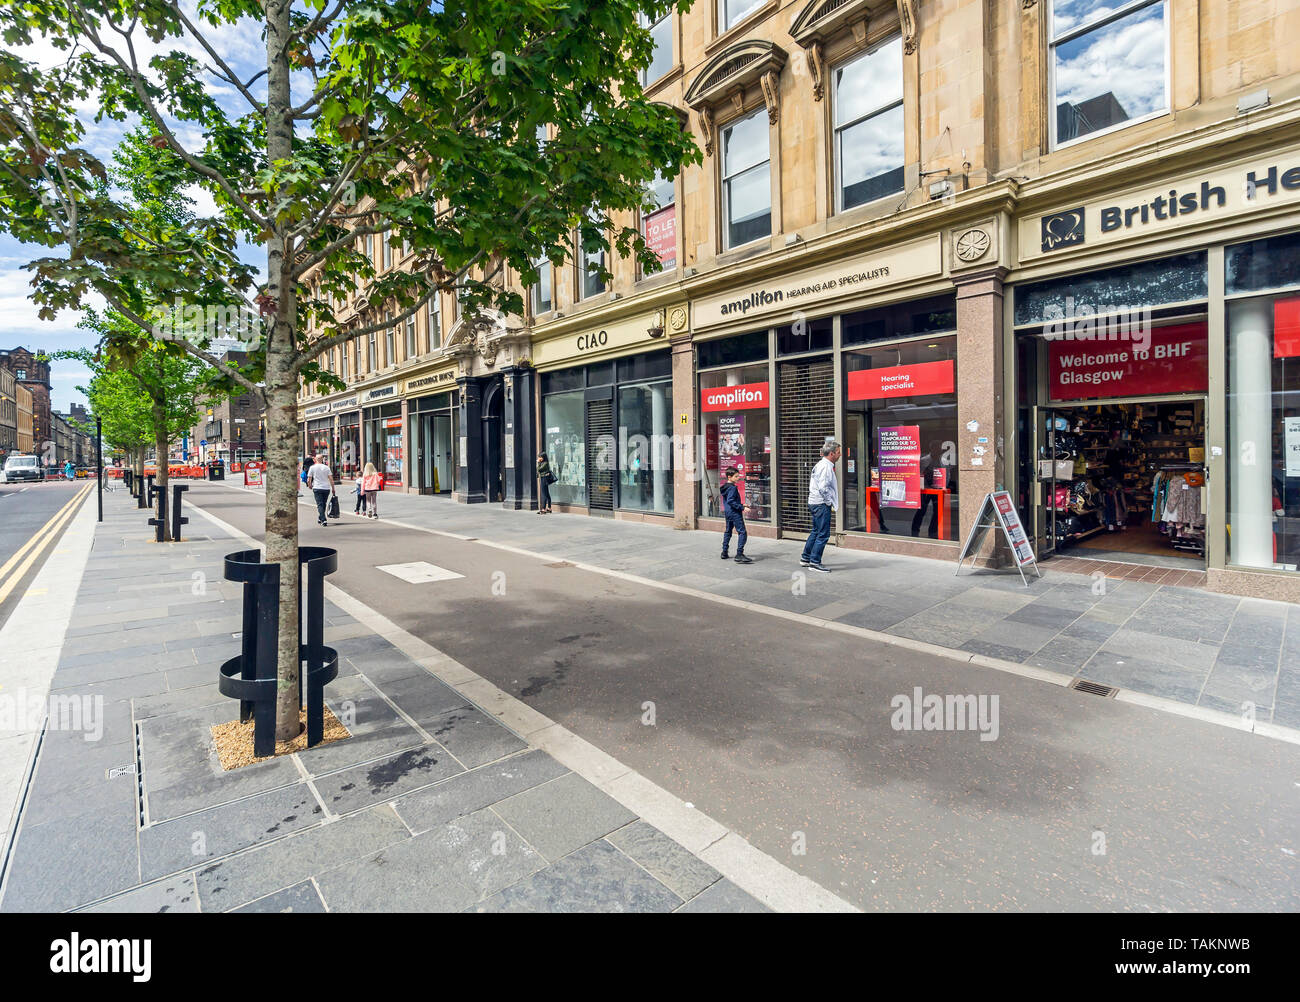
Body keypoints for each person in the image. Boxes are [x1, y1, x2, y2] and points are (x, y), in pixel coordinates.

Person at [800, 440, 840, 572]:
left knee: (816, 531)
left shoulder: (821, 464)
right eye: (838, 452)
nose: (840, 455)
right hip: (821, 504)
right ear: (832, 453)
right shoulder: (826, 466)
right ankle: (815, 562)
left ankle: (806, 558)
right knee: (823, 534)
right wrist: (828, 501)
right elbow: (823, 488)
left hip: (814, 502)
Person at [719, 467, 752, 563]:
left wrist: (741, 504)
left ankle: (724, 552)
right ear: (729, 477)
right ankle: (739, 554)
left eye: (738, 476)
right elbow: (730, 501)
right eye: (736, 476)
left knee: (728, 531)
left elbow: (729, 500)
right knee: (742, 532)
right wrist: (742, 508)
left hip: (728, 512)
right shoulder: (732, 488)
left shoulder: (726, 487)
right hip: (734, 513)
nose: (738, 478)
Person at [305, 453, 335, 527]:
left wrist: (309, 485)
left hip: (317, 488)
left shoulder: (312, 467)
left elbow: (309, 478)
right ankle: (320, 517)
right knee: (323, 503)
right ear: (322, 459)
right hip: (326, 488)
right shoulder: (326, 468)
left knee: (320, 504)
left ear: (315, 459)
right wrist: (333, 488)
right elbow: (331, 479)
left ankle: (323, 519)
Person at [536, 450, 554, 514]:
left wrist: (538, 463)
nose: (539, 458)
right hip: (543, 478)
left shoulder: (545, 463)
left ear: (543, 457)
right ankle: (549, 508)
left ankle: (543, 509)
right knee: (546, 493)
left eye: (540, 457)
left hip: (544, 479)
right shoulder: (543, 463)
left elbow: (539, 469)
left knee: (544, 494)